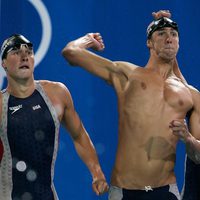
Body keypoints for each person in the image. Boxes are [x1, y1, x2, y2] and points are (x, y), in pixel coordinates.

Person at [62, 10, 200, 200]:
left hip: (166, 191)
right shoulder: (128, 75)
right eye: (161, 34)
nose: (169, 39)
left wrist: (188, 139)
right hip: (125, 192)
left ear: (179, 42)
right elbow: (71, 53)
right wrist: (87, 40)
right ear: (149, 43)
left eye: (174, 34)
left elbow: (198, 157)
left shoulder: (191, 95)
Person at [0, 34, 109, 200]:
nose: (24, 56)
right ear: (4, 64)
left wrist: (97, 172)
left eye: (28, 51)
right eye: (15, 51)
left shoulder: (57, 94)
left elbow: (79, 135)